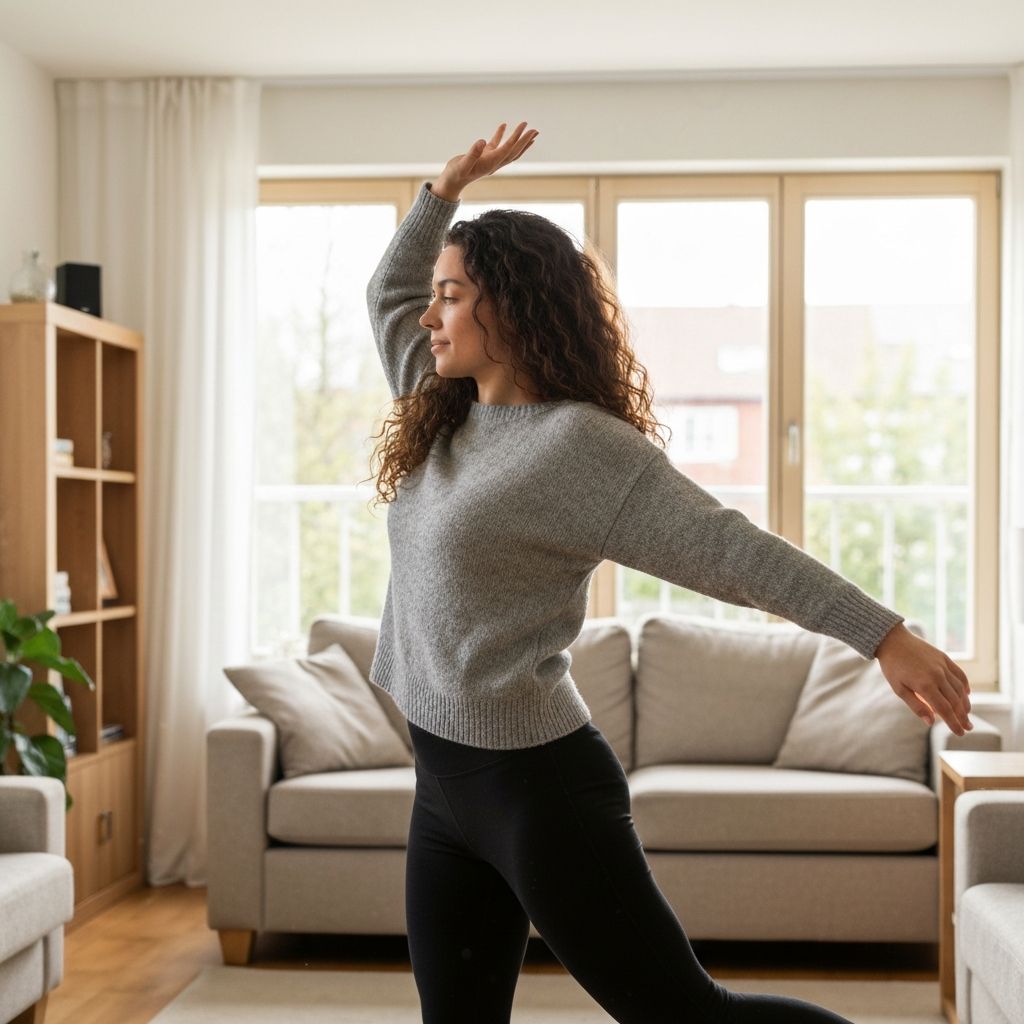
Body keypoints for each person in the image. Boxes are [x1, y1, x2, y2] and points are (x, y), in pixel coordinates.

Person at [363, 120, 974, 1024]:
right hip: (443, 786)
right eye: (437, 295)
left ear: (510, 308)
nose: (430, 314)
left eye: (452, 296)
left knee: (689, 1017)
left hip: (540, 794)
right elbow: (388, 292)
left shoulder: (581, 448)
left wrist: (884, 634)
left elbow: (734, 552)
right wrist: (443, 190)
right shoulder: (438, 407)